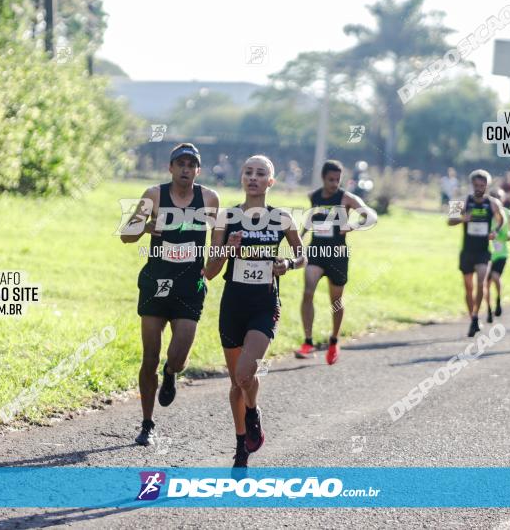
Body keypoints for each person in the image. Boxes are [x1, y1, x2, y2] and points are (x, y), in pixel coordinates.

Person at [204, 155, 307, 468]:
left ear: (270, 182)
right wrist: (226, 250)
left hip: (264, 305)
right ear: (241, 177)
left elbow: (302, 255)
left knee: (245, 372)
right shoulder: (227, 217)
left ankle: (253, 413)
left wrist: (287, 264)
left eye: (260, 173)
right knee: (236, 383)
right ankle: (241, 446)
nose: (253, 177)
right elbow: (209, 271)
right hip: (233, 304)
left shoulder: (281, 218)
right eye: (248, 171)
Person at [120, 143, 220, 446]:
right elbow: (127, 235)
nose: (186, 169)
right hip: (156, 281)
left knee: (177, 357)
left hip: (190, 284)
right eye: (181, 164)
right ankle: (147, 423)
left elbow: (217, 241)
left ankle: (171, 372)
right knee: (149, 356)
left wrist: (213, 267)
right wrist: (148, 226)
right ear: (171, 168)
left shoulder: (209, 198)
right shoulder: (154, 195)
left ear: (198, 170)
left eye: (191, 165)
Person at [295, 160, 377, 364]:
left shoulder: (346, 198)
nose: (334, 184)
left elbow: (370, 216)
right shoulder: (314, 196)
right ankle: (308, 341)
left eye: (338, 180)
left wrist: (353, 226)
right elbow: (310, 219)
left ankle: (334, 340)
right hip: (316, 251)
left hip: (337, 255)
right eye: (331, 179)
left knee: (336, 302)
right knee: (308, 291)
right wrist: (299, 239)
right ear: (323, 178)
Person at [448, 170, 506, 337]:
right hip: (467, 251)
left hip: (483, 252)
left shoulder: (493, 203)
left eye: (482, 185)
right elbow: (449, 221)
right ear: (471, 184)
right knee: (468, 288)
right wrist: (462, 219)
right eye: (476, 185)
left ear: (487, 186)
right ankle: (473, 317)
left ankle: (476, 314)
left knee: (481, 282)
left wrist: (495, 231)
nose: (479, 188)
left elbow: (501, 219)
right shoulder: (462, 201)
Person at [486, 188, 510, 323]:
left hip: (502, 253)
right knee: (485, 283)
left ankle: (498, 299)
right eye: (494, 196)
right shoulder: (487, 213)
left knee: (495, 277)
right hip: (487, 252)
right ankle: (489, 309)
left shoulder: (508, 214)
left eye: (499, 196)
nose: (496, 198)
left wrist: (509, 235)